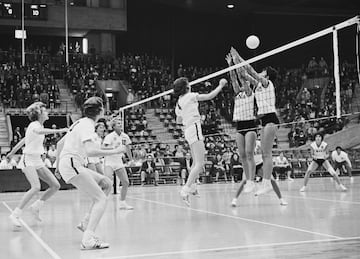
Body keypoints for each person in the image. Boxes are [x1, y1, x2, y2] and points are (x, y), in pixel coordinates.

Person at [56, 97, 127, 250]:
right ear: (101, 110)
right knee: (101, 198)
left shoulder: (79, 123)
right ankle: (88, 239)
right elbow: (90, 151)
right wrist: (115, 150)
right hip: (72, 164)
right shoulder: (87, 125)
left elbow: (60, 144)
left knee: (106, 184)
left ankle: (86, 222)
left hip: (71, 163)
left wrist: (58, 166)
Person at [7, 102, 67, 229]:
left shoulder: (37, 126)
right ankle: (15, 214)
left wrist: (11, 153)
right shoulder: (34, 125)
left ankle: (36, 207)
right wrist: (60, 130)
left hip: (37, 160)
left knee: (55, 185)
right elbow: (39, 132)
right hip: (27, 159)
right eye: (44, 111)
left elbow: (24, 140)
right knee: (35, 187)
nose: (47, 113)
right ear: (39, 114)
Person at [230, 47, 280, 196]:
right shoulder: (258, 86)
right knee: (264, 153)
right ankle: (257, 183)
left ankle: (266, 183)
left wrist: (238, 56)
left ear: (267, 75)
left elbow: (251, 71)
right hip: (264, 120)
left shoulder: (266, 83)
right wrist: (234, 62)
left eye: (264, 71)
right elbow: (243, 74)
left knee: (266, 153)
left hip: (271, 118)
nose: (261, 73)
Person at [174, 77, 227, 206]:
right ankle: (185, 190)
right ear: (186, 87)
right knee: (200, 163)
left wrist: (188, 113)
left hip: (188, 130)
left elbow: (178, 121)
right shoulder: (191, 96)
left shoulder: (179, 102)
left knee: (195, 162)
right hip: (194, 128)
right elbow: (209, 96)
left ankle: (192, 188)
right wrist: (220, 85)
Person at [226, 51, 257, 193]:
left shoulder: (250, 93)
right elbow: (234, 79)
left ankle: (252, 180)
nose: (243, 85)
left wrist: (237, 60)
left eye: (245, 85)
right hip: (239, 125)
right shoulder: (238, 94)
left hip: (250, 124)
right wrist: (230, 64)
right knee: (242, 155)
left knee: (250, 153)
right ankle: (248, 180)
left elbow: (242, 77)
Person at [232, 140, 287, 207]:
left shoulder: (260, 143)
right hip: (250, 166)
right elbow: (241, 159)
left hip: (260, 165)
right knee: (244, 181)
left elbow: (266, 155)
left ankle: (281, 199)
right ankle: (234, 200)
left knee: (272, 180)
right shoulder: (245, 145)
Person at [103, 119, 134, 210]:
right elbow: (103, 148)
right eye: (118, 123)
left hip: (118, 161)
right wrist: (114, 149)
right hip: (109, 160)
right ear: (113, 126)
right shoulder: (109, 136)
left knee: (125, 182)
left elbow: (128, 148)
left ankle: (122, 203)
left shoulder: (125, 136)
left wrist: (131, 160)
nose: (120, 125)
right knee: (108, 182)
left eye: (121, 123)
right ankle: (101, 201)